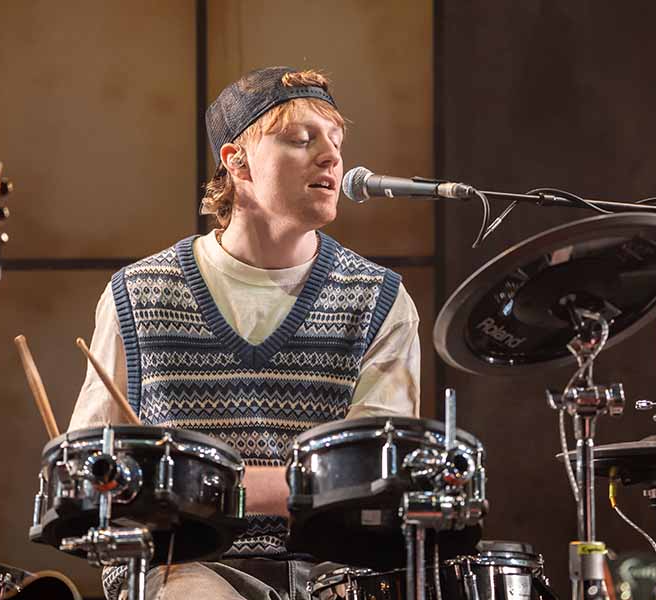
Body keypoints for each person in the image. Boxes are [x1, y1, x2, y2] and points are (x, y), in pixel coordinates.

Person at [69, 66, 421, 600]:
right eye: (301, 139)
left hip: (332, 575)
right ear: (236, 162)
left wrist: (208, 485)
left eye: (335, 140)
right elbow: (88, 471)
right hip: (181, 566)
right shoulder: (139, 294)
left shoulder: (378, 298)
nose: (331, 157)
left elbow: (371, 481)